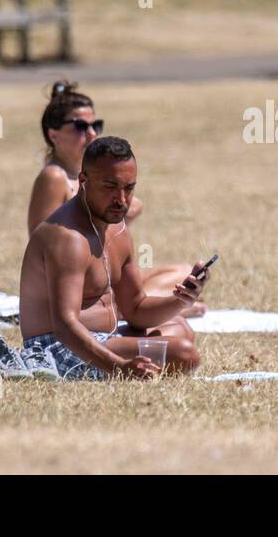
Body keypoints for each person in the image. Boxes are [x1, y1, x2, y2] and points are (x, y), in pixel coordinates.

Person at [17, 136, 209, 380]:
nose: (122, 199)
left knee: (181, 329)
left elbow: (136, 309)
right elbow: (65, 326)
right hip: (56, 349)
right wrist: (119, 367)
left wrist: (182, 300)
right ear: (83, 181)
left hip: (104, 337)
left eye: (129, 188)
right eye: (110, 187)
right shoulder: (68, 238)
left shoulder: (117, 229)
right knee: (184, 353)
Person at [28, 80, 202, 315]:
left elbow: (136, 206)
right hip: (76, 284)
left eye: (95, 125)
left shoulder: (89, 177)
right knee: (173, 326)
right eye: (80, 127)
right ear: (54, 135)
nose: (91, 134)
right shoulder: (54, 177)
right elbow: (42, 244)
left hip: (104, 271)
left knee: (183, 271)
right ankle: (164, 307)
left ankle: (159, 304)